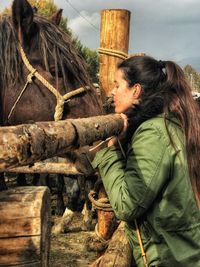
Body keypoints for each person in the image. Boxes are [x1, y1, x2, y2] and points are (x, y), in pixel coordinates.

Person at [92, 55, 200, 266]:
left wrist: (111, 151)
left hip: (169, 258)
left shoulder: (153, 134)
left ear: (136, 91)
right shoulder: (171, 122)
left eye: (117, 85)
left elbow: (127, 205)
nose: (111, 92)